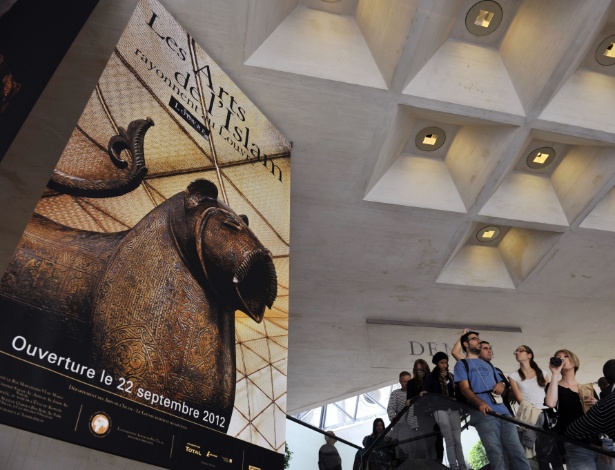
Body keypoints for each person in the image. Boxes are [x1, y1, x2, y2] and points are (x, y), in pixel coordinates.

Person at [453, 330, 530, 470]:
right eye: (475, 339)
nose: (478, 341)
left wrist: (502, 384)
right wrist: (480, 402)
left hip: (504, 412)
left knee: (517, 451)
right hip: (484, 413)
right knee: (495, 453)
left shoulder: (489, 365)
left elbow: (502, 383)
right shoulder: (462, 364)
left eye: (478, 339)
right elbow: (464, 388)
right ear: (466, 343)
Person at [509, 345, 562, 470]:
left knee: (553, 450)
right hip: (531, 415)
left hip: (547, 413)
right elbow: (519, 399)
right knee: (540, 451)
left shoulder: (542, 372)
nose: (517, 352)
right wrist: (534, 412)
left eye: (520, 350)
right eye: (515, 351)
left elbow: (550, 392)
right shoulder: (513, 376)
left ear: (529, 355)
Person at [545, 349, 599, 469]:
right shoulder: (553, 385)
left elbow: (599, 415)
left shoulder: (587, 388)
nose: (562, 358)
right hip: (575, 441)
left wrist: (597, 404)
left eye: (566, 356)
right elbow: (550, 403)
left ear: (574, 362)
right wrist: (554, 373)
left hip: (597, 442)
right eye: (558, 357)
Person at [424, 351, 467, 470]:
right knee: (449, 438)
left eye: (446, 363)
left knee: (457, 439)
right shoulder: (431, 377)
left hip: (453, 408)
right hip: (439, 408)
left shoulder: (451, 376)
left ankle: (462, 466)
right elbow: (426, 390)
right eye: (442, 363)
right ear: (437, 364)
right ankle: (453, 466)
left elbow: (457, 391)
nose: (444, 365)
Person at [408, 358, 439, 460]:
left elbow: (437, 392)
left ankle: (439, 461)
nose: (420, 371)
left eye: (422, 369)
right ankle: (432, 461)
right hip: (421, 414)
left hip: (434, 412)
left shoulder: (431, 379)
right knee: (428, 439)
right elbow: (408, 399)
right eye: (418, 369)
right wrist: (416, 397)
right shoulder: (411, 383)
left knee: (438, 439)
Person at [387, 371, 412, 462]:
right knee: (403, 450)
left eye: (409, 381)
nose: (407, 384)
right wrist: (393, 418)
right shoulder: (395, 394)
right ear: (400, 382)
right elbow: (391, 408)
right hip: (401, 426)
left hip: (415, 426)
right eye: (404, 381)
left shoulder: (416, 393)